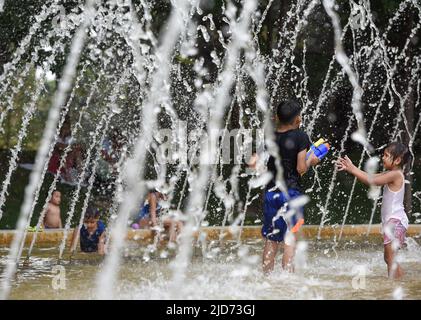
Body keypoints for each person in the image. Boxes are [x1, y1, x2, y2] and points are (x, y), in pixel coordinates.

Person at [249, 100, 320, 274]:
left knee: (271, 238)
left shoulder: (269, 136)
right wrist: (312, 160)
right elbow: (301, 168)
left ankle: (266, 276)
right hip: (292, 194)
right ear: (297, 119)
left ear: (276, 118)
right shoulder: (300, 136)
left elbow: (252, 162)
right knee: (290, 236)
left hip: (271, 193)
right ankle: (288, 278)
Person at [336, 142, 410, 279]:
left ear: (398, 160)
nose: (383, 158)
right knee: (389, 259)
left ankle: (397, 285)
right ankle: (399, 283)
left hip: (395, 222)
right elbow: (373, 177)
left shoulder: (396, 175)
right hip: (392, 222)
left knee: (391, 260)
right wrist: (353, 169)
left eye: (387, 156)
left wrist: (352, 169)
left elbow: (372, 181)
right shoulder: (391, 173)